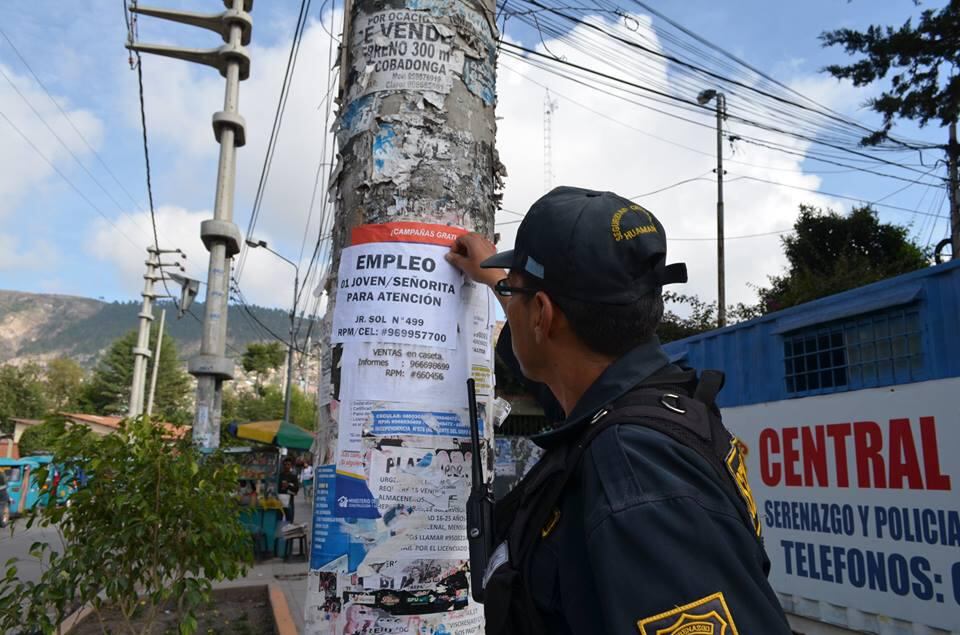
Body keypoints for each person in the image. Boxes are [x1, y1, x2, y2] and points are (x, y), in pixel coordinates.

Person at [446, 187, 791, 634]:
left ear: (543, 315)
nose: (510, 301)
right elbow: (550, 362)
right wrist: (500, 280)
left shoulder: (632, 472)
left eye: (516, 291)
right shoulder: (644, 402)